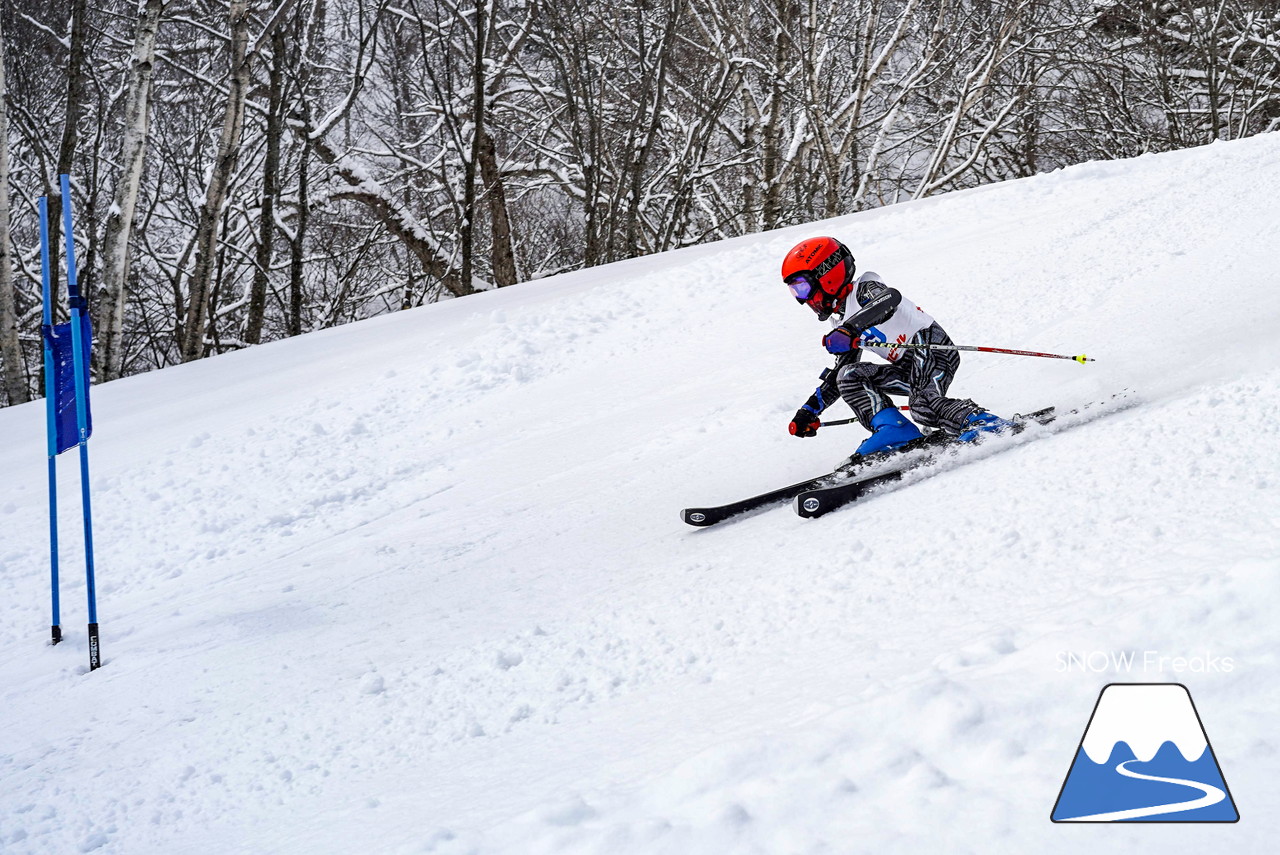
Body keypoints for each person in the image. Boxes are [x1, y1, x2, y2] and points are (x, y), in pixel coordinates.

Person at [781, 236, 1011, 458]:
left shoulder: (864, 290)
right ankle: (895, 430)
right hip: (908, 367)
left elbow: (889, 300)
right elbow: (840, 373)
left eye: (802, 288)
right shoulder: (842, 320)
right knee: (848, 375)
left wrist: (850, 329)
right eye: (794, 292)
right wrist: (809, 411)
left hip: (932, 348)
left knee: (922, 406)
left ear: (827, 275)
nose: (802, 299)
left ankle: (983, 423)